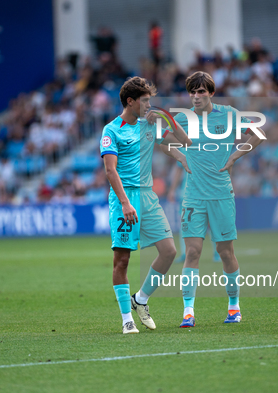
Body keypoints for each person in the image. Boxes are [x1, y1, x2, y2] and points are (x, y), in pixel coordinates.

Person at [173, 71, 265, 328]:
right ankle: (188, 311)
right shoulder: (183, 119)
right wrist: (181, 157)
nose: (196, 96)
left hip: (222, 194)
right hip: (193, 195)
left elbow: (256, 134)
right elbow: (160, 138)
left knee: (225, 252)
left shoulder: (228, 114)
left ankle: (234, 307)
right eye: (192, 91)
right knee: (192, 251)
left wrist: (235, 156)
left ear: (211, 93)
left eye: (201, 91)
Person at [100, 77, 192, 334]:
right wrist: (125, 203)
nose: (149, 105)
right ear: (130, 102)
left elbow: (184, 142)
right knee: (122, 261)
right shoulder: (112, 130)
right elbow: (110, 170)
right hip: (124, 199)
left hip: (148, 197)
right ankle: (126, 318)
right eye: (145, 101)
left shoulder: (149, 124)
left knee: (169, 251)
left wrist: (165, 117)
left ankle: (140, 299)